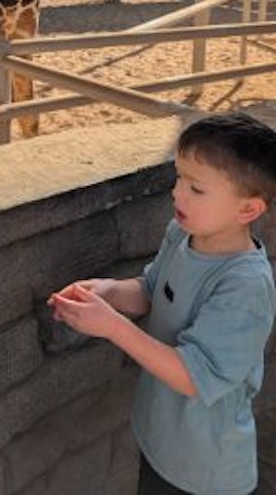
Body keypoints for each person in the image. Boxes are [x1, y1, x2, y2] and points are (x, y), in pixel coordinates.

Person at [48, 112, 276, 495]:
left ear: (248, 210)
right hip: (162, 442)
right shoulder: (182, 233)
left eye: (196, 189)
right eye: (179, 178)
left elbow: (192, 376)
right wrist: (107, 293)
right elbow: (153, 289)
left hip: (207, 471)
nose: (177, 193)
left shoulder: (245, 286)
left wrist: (111, 326)